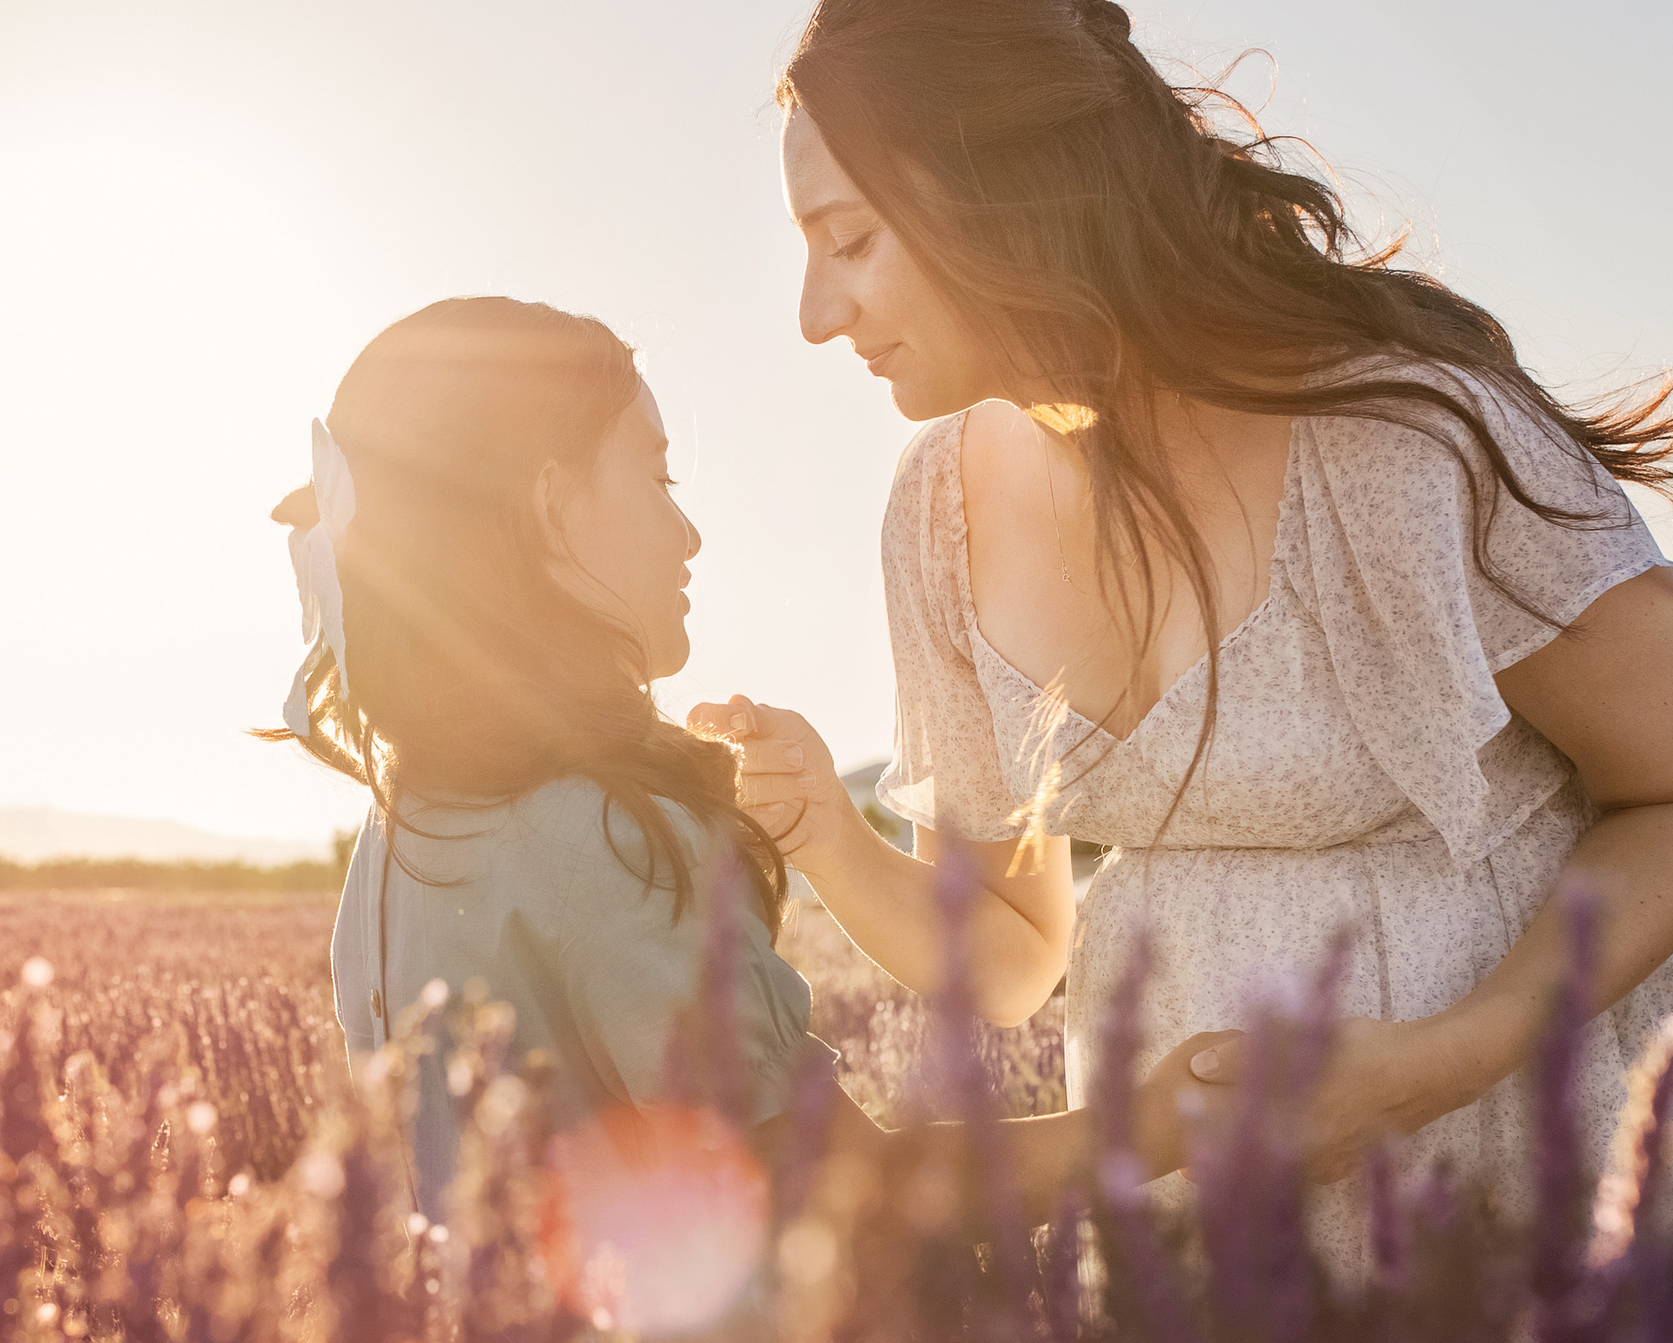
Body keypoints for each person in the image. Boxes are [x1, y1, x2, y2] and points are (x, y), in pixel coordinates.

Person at [692, 0, 1673, 1247]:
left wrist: (1450, 1055)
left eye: (852, 240)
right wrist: (830, 830)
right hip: (1192, 1261)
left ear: (1006, 198)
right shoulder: (934, 509)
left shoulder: (1398, 444)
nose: (819, 314)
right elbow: (1009, 959)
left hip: (1510, 1211)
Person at [269, 292, 1198, 1224]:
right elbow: (833, 1191)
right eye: (659, 479)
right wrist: (1154, 1127)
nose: (689, 535)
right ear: (552, 507)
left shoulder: (398, 836)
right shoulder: (608, 839)